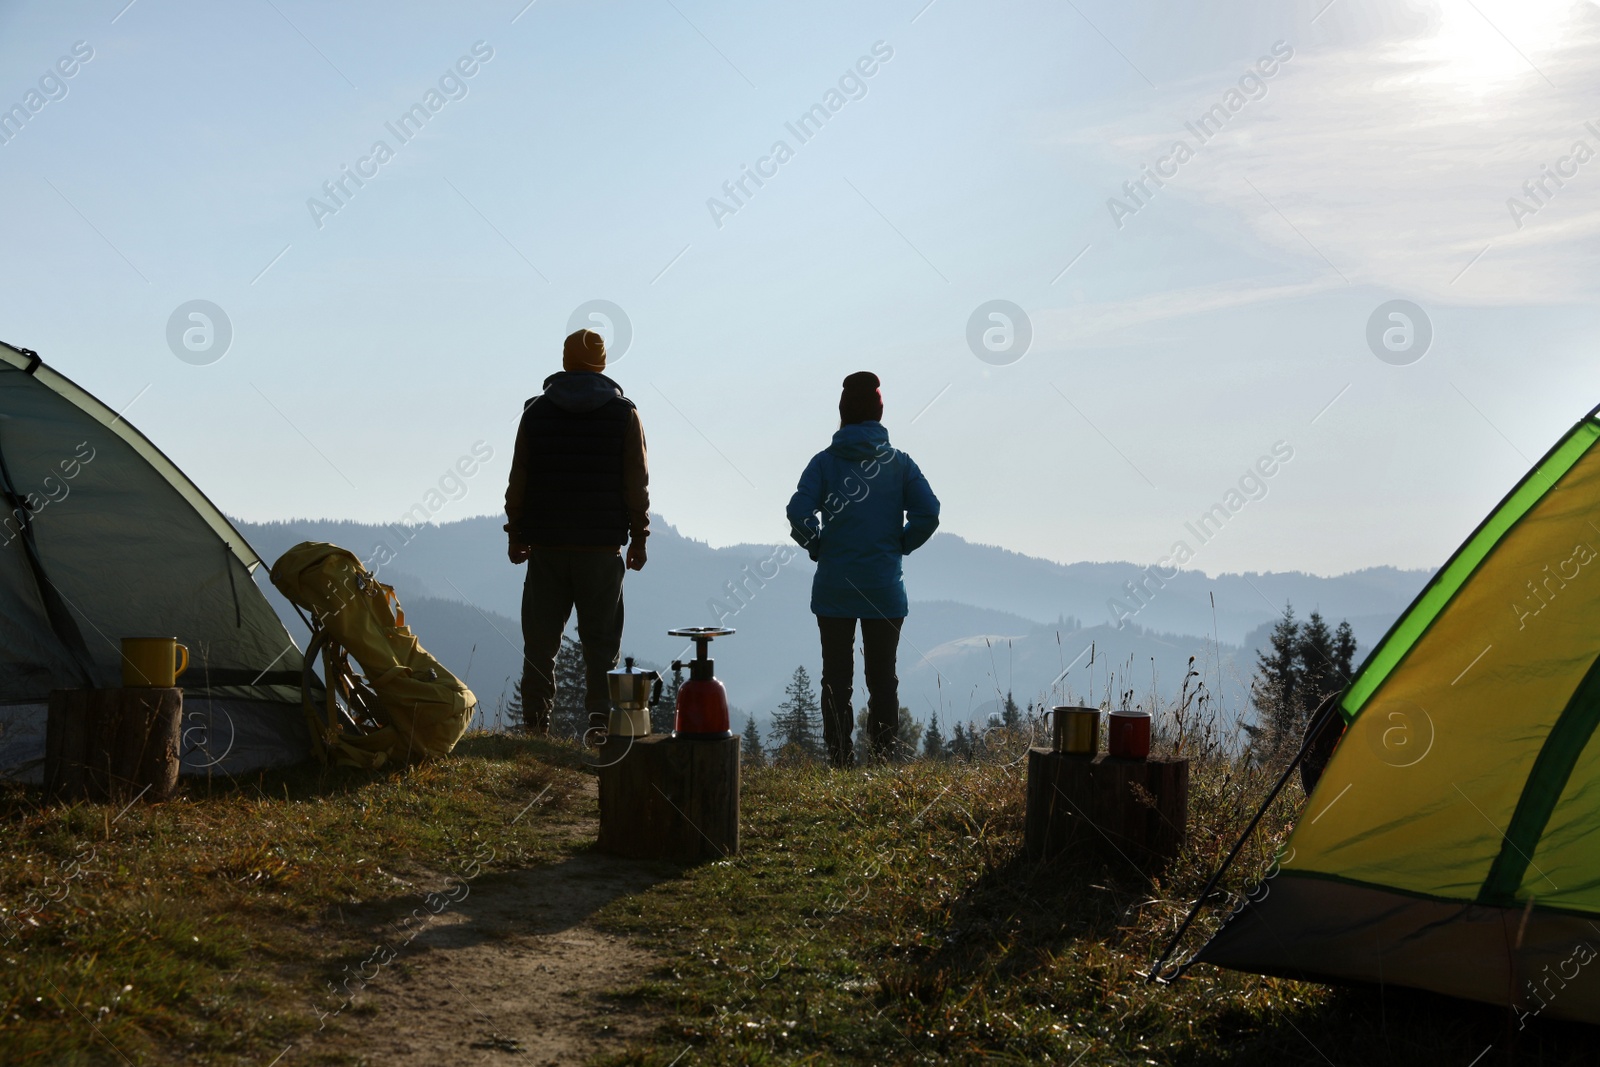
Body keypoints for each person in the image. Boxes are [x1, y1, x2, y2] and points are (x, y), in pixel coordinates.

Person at [786, 372, 940, 766]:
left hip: (834, 588)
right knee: (883, 682)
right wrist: (900, 545)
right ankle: (884, 762)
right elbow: (929, 513)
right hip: (884, 587)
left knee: (836, 681)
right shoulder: (899, 464)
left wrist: (817, 544)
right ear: (879, 413)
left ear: (842, 414)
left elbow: (798, 513)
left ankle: (840, 761)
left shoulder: (823, 464)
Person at [505, 328, 648, 739]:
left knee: (540, 643)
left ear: (566, 360)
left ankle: (535, 726)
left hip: (547, 546)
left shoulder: (536, 413)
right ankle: (600, 726)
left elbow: (519, 481)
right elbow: (635, 486)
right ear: (602, 363)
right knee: (601, 645)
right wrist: (639, 538)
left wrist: (516, 533)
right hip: (601, 550)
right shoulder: (624, 415)